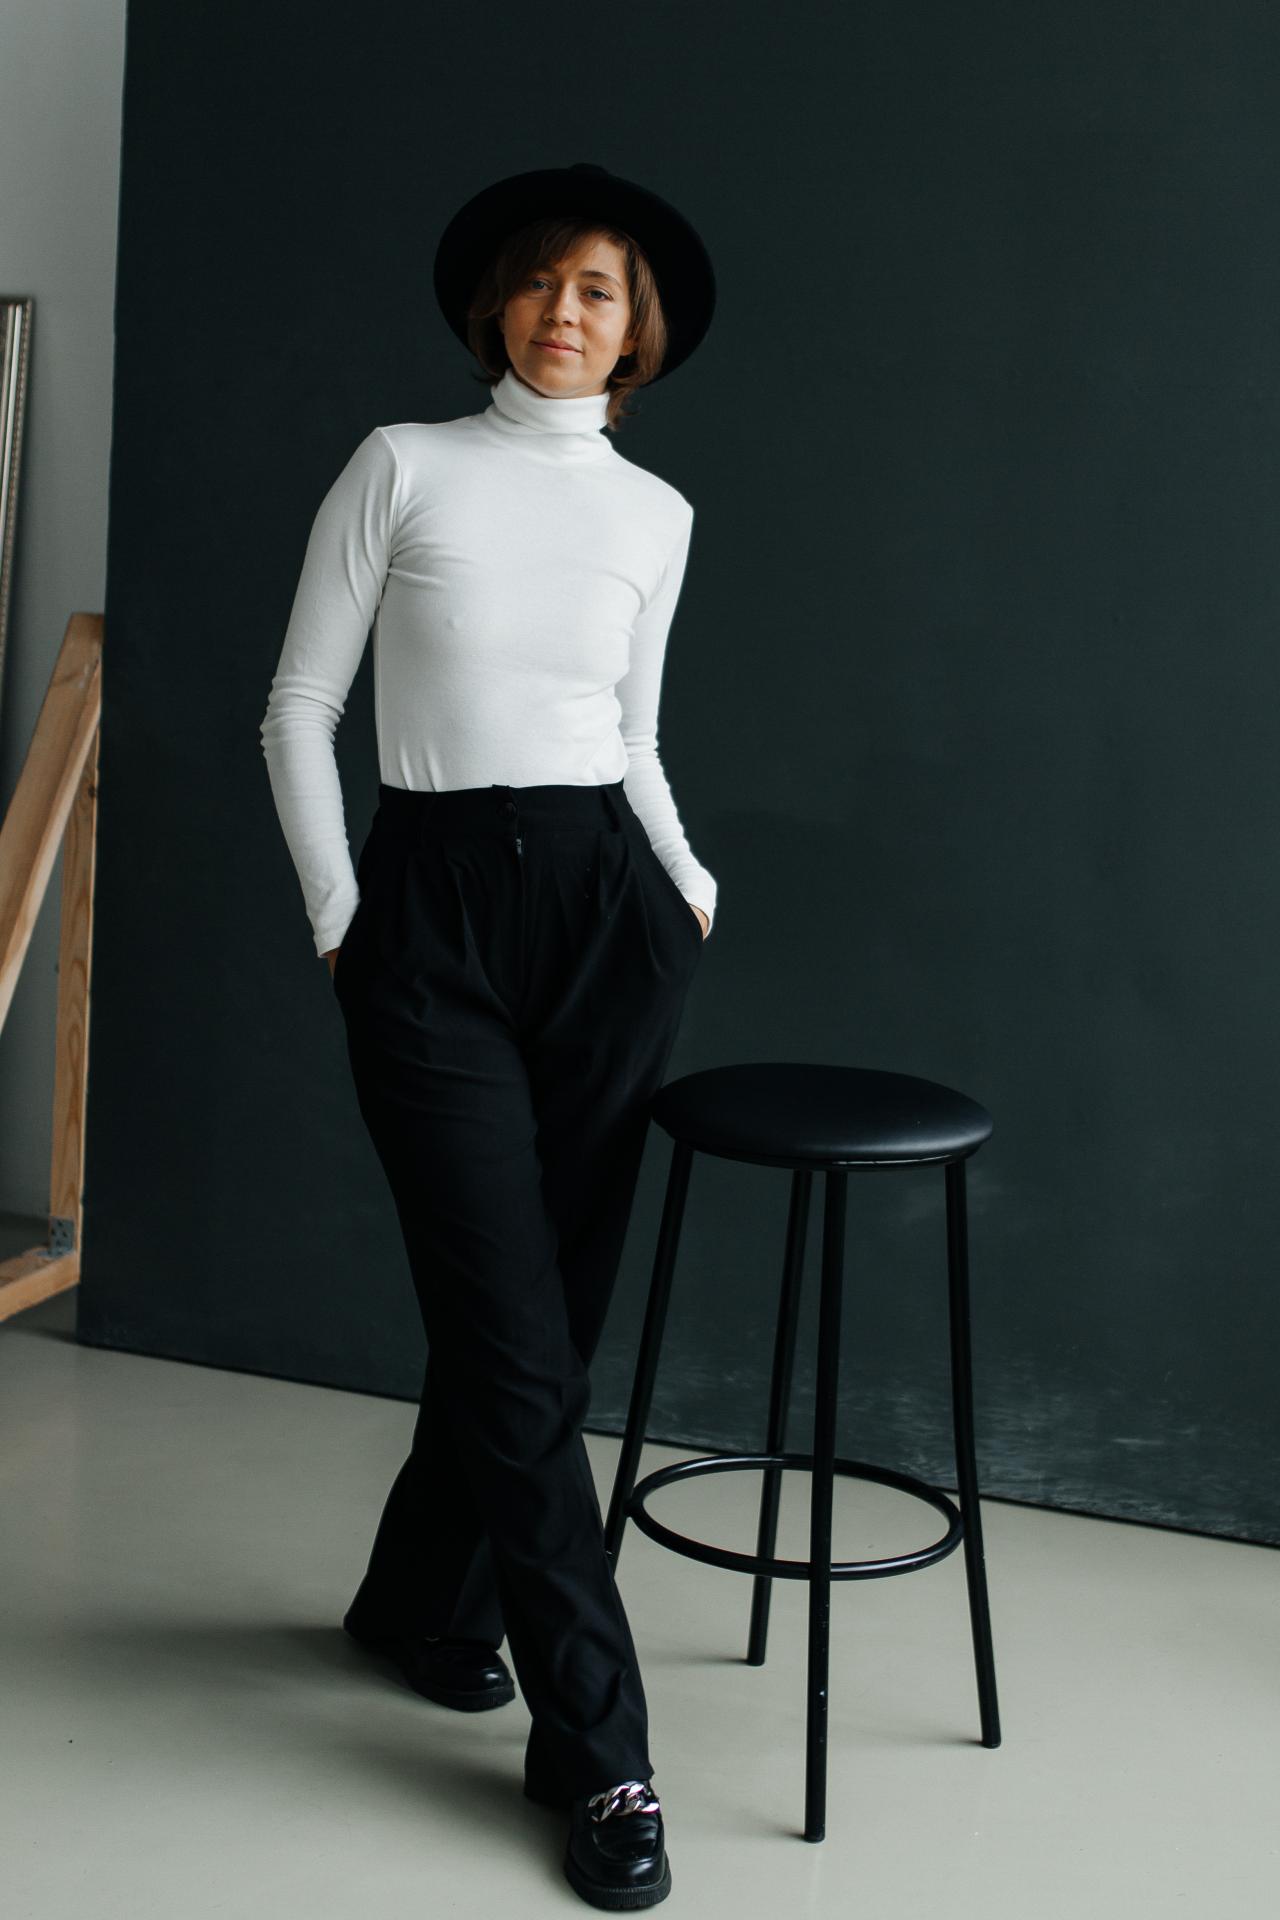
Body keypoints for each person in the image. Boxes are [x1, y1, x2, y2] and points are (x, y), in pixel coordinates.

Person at [259, 162, 717, 1911]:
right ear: (496, 307)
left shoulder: (657, 514)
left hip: (610, 910)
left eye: (597, 289)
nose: (563, 311)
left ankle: (421, 1605)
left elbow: (637, 732)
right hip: (430, 913)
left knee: (543, 1324)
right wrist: (341, 913)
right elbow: (300, 704)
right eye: (539, 283)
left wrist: (685, 883)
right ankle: (601, 1752)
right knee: (515, 1340)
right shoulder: (403, 463)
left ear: (635, 326)